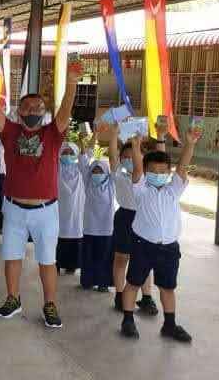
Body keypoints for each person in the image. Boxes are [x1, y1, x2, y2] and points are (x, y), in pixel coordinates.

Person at [0, 59, 79, 329]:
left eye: (38, 107)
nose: (33, 110)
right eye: (28, 106)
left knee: (47, 259)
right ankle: (13, 298)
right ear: (19, 111)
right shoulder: (10, 132)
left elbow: (66, 109)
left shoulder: (52, 134)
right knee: (12, 255)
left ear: (45, 112)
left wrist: (71, 83)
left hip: (46, 210)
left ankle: (50, 304)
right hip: (13, 208)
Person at [119, 128, 199, 342]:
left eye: (164, 172)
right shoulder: (141, 189)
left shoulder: (173, 190)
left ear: (168, 173)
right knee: (134, 283)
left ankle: (170, 325)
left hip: (169, 248)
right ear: (146, 173)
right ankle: (127, 320)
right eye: (153, 171)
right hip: (143, 245)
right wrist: (136, 146)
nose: (159, 175)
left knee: (168, 287)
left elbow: (181, 168)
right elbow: (137, 167)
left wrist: (190, 144)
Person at [109, 125, 161, 315]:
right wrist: (114, 134)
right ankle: (119, 295)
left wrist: (158, 137)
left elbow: (159, 160)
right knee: (121, 259)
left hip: (143, 219)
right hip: (124, 217)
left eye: (134, 157)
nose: (129, 160)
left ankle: (146, 297)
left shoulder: (145, 178)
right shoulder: (118, 174)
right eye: (126, 157)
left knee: (143, 259)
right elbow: (113, 154)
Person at [80, 154, 116, 291]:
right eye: (94, 171)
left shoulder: (111, 184)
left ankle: (103, 283)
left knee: (104, 258)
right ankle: (87, 281)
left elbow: (115, 165)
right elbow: (83, 164)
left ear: (106, 172)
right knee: (89, 257)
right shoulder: (88, 182)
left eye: (100, 171)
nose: (97, 174)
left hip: (106, 229)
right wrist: (84, 145)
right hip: (89, 228)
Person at [56, 143, 85, 275]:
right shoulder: (55, 167)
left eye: (71, 153)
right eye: (64, 152)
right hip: (58, 208)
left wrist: (84, 142)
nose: (67, 155)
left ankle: (71, 265)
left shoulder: (80, 169)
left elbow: (85, 157)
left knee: (74, 234)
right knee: (57, 236)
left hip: (76, 209)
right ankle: (55, 264)